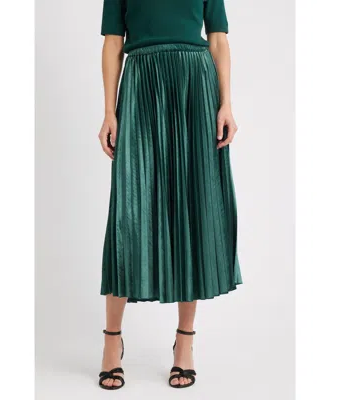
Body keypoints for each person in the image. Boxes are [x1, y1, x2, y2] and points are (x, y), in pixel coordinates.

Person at [97, 0, 242, 390]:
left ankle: (185, 341)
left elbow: (218, 39)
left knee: (190, 206)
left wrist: (226, 103)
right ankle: (112, 340)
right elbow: (113, 42)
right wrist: (109, 112)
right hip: (141, 83)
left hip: (194, 86)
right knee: (128, 212)